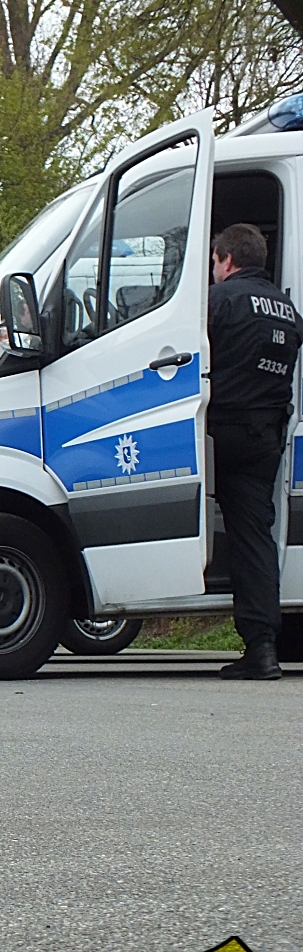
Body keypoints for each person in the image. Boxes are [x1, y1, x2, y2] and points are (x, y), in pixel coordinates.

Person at [208, 223, 301, 680]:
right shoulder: (287, 310)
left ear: (226, 259)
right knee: (253, 537)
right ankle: (263, 648)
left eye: (213, 263)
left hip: (221, 432)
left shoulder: (219, 301)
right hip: (267, 437)